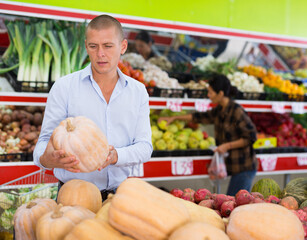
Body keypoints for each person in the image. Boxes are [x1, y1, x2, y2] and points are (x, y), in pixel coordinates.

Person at [33, 14, 153, 201]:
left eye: (108, 46)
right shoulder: (64, 87)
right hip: (73, 195)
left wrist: (115, 156)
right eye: (93, 46)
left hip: (120, 196)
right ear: (85, 47)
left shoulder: (137, 91)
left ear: (123, 47)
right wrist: (47, 159)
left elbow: (145, 147)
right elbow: (43, 143)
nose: (100, 54)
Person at [158, 73, 258, 196]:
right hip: (234, 166)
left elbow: (251, 137)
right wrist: (174, 118)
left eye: (210, 92)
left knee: (235, 202)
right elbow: (198, 117)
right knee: (231, 200)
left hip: (244, 167)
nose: (208, 95)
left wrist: (227, 146)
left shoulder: (236, 111)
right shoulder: (219, 110)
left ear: (220, 94)